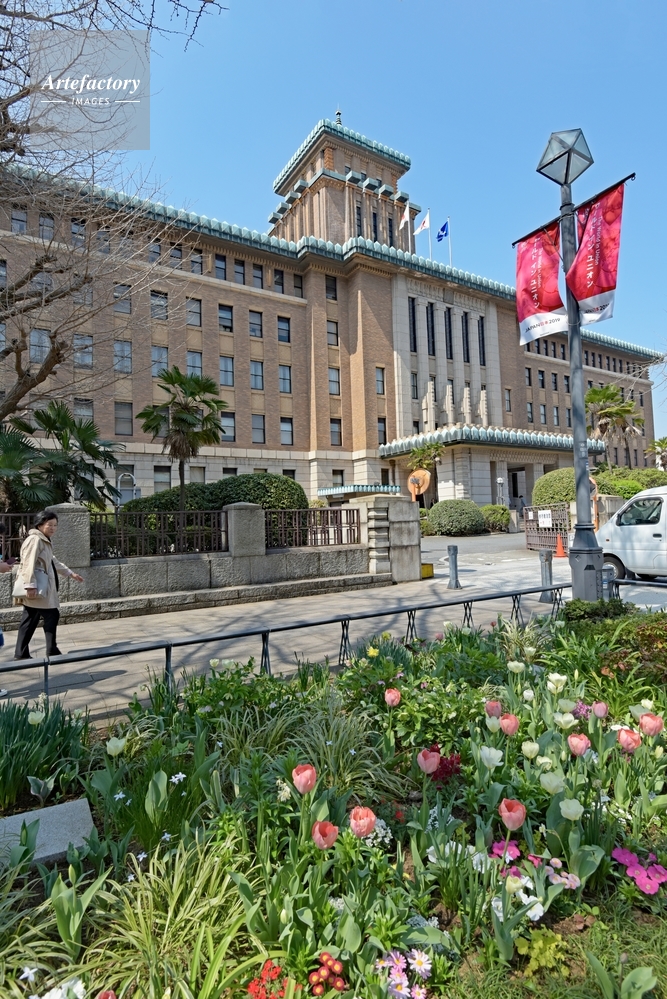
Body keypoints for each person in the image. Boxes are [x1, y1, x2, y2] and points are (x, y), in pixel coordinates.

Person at [13, 510, 83, 660]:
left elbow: (52, 560)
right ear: (40, 524)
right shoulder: (35, 540)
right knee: (51, 615)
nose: (53, 528)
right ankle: (51, 650)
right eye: (49, 524)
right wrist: (30, 585)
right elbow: (28, 563)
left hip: (40, 588)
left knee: (30, 618)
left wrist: (70, 573)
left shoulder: (43, 540)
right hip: (37, 587)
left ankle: (21, 653)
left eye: (55, 525)